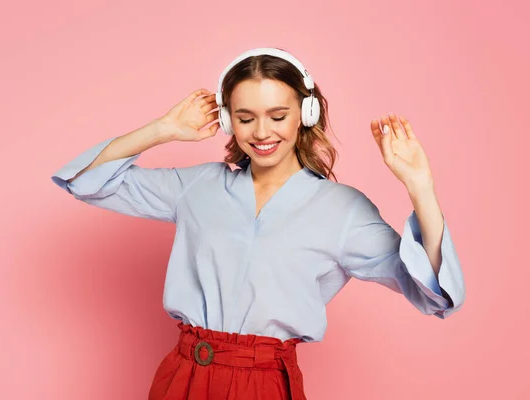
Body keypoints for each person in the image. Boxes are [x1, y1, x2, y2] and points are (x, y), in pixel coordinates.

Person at [51, 47, 465, 400]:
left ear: (306, 112)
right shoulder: (199, 186)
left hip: (264, 381)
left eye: (278, 115)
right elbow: (84, 181)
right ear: (229, 121)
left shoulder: (344, 211)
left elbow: (435, 294)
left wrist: (420, 188)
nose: (262, 132)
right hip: (183, 374)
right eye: (246, 117)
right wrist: (162, 130)